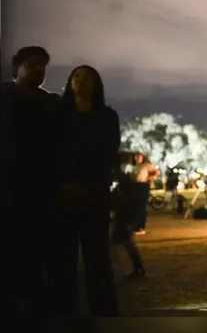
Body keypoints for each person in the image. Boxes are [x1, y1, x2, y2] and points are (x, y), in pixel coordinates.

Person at [50, 65, 121, 316]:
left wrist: (87, 185)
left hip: (94, 196)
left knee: (98, 261)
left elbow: (107, 154)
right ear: (70, 82)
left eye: (89, 78)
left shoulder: (107, 117)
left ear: (97, 85)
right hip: (62, 195)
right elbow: (51, 153)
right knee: (63, 260)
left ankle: (104, 314)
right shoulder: (58, 114)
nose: (82, 82)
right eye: (77, 76)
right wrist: (64, 184)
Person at [1, 46, 61, 317]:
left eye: (43, 66)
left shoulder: (52, 103)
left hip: (42, 190)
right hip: (9, 188)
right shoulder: (4, 96)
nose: (39, 70)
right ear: (18, 67)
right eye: (33, 64)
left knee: (38, 251)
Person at [130, 152, 159, 234]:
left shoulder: (146, 165)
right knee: (135, 206)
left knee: (142, 206)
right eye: (136, 157)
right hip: (135, 186)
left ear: (142, 158)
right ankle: (135, 226)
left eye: (139, 157)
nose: (137, 158)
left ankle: (141, 227)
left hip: (143, 185)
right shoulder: (134, 167)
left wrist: (149, 178)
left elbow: (156, 172)